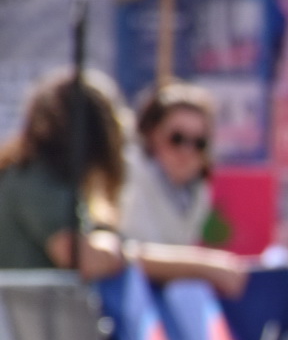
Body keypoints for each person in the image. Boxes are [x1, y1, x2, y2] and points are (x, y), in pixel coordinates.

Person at [0, 68, 248, 295]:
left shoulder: (40, 178)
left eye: (199, 143)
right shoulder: (37, 181)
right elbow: (86, 259)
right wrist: (109, 243)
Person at [121, 79, 224, 248]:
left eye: (199, 143)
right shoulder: (126, 177)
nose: (187, 151)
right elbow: (133, 252)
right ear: (152, 134)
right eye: (177, 139)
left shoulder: (198, 190)